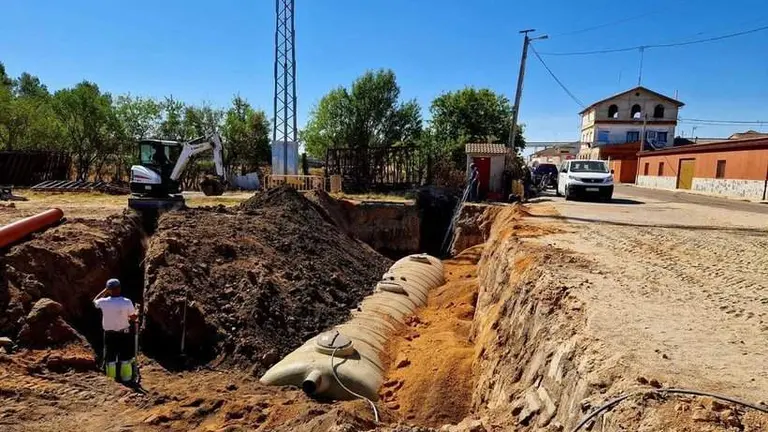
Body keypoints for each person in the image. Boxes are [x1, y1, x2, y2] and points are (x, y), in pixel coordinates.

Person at [93, 279, 137, 383]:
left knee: (110, 357)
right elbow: (133, 318)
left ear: (109, 290)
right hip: (124, 333)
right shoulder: (127, 302)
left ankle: (111, 381)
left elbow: (94, 301)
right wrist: (136, 314)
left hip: (109, 334)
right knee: (125, 356)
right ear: (119, 288)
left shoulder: (103, 302)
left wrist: (104, 291)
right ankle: (126, 379)